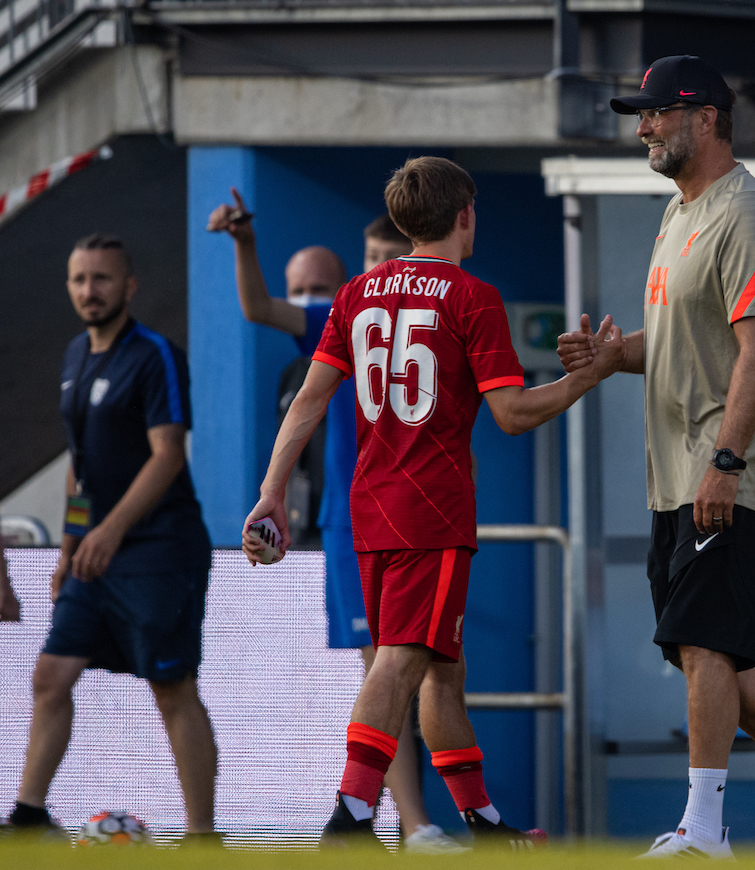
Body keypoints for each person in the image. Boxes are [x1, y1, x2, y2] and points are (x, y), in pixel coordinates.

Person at [240, 156, 623, 848]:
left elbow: (310, 400)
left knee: (443, 670)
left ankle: (483, 824)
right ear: (464, 215)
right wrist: (583, 380)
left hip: (370, 506)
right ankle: (351, 817)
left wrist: (270, 492)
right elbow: (510, 413)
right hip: (434, 511)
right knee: (398, 659)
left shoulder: (356, 294)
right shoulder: (472, 297)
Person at [556, 55, 755, 860]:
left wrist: (726, 462)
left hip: (733, 474)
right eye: (642, 115)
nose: (643, 128)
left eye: (657, 113)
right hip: (677, 474)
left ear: (705, 118)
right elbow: (670, 346)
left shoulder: (748, 213)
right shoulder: (680, 214)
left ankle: (706, 829)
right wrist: (608, 357)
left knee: (704, 645)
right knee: (709, 653)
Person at [206, 199, 462, 853]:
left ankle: (398, 824)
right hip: (356, 521)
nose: (386, 271)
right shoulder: (345, 316)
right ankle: (406, 826)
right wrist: (243, 244)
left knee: (427, 673)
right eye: (375, 260)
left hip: (421, 517)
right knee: (389, 670)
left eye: (391, 257)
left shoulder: (438, 312)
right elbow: (260, 309)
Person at [4, 235, 218, 840]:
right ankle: (28, 817)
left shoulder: (154, 356)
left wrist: (111, 530)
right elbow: (80, 466)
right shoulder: (75, 356)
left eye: (101, 279)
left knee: (172, 687)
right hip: (94, 555)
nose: (88, 291)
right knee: (51, 675)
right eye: (78, 279)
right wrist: (71, 547)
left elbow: (168, 455)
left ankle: (203, 834)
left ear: (129, 286)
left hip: (159, 551)